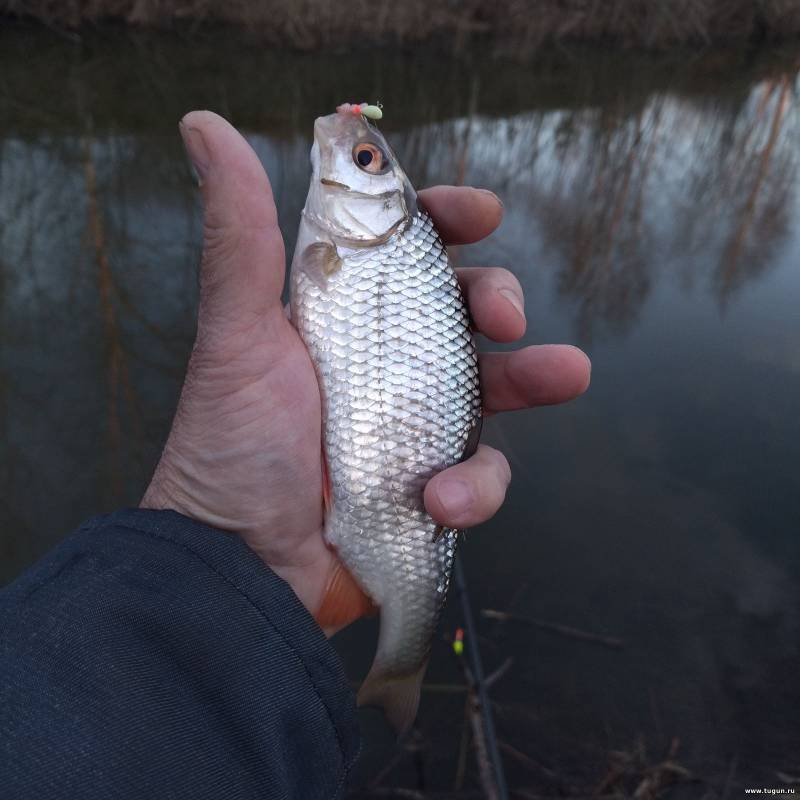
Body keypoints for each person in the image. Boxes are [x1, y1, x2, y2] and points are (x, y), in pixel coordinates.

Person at [0, 111, 591, 798]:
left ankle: (401, 658)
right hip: (315, 530)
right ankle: (397, 661)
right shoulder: (359, 241)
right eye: (368, 158)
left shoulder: (374, 244)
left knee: (452, 484)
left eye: (364, 160)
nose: (349, 151)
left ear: (384, 204)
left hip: (358, 514)